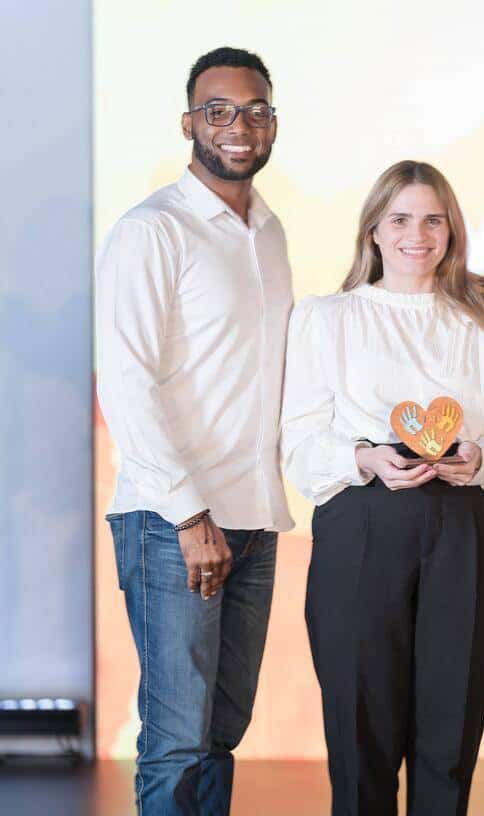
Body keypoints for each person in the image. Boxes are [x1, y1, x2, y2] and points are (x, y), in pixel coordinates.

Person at [281, 160, 484, 816]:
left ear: (451, 230)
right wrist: (365, 458)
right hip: (361, 526)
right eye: (399, 218)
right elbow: (300, 443)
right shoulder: (326, 318)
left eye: (432, 219)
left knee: (449, 737)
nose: (416, 234)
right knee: (360, 737)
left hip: (465, 525)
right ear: (372, 229)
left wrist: (479, 458)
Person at [95, 46, 291, 815]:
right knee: (177, 735)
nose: (238, 126)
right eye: (218, 111)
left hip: (253, 516)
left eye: (254, 111)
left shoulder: (268, 232)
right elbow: (128, 382)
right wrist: (189, 514)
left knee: (221, 730)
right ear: (189, 123)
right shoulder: (154, 230)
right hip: (171, 521)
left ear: (272, 123)